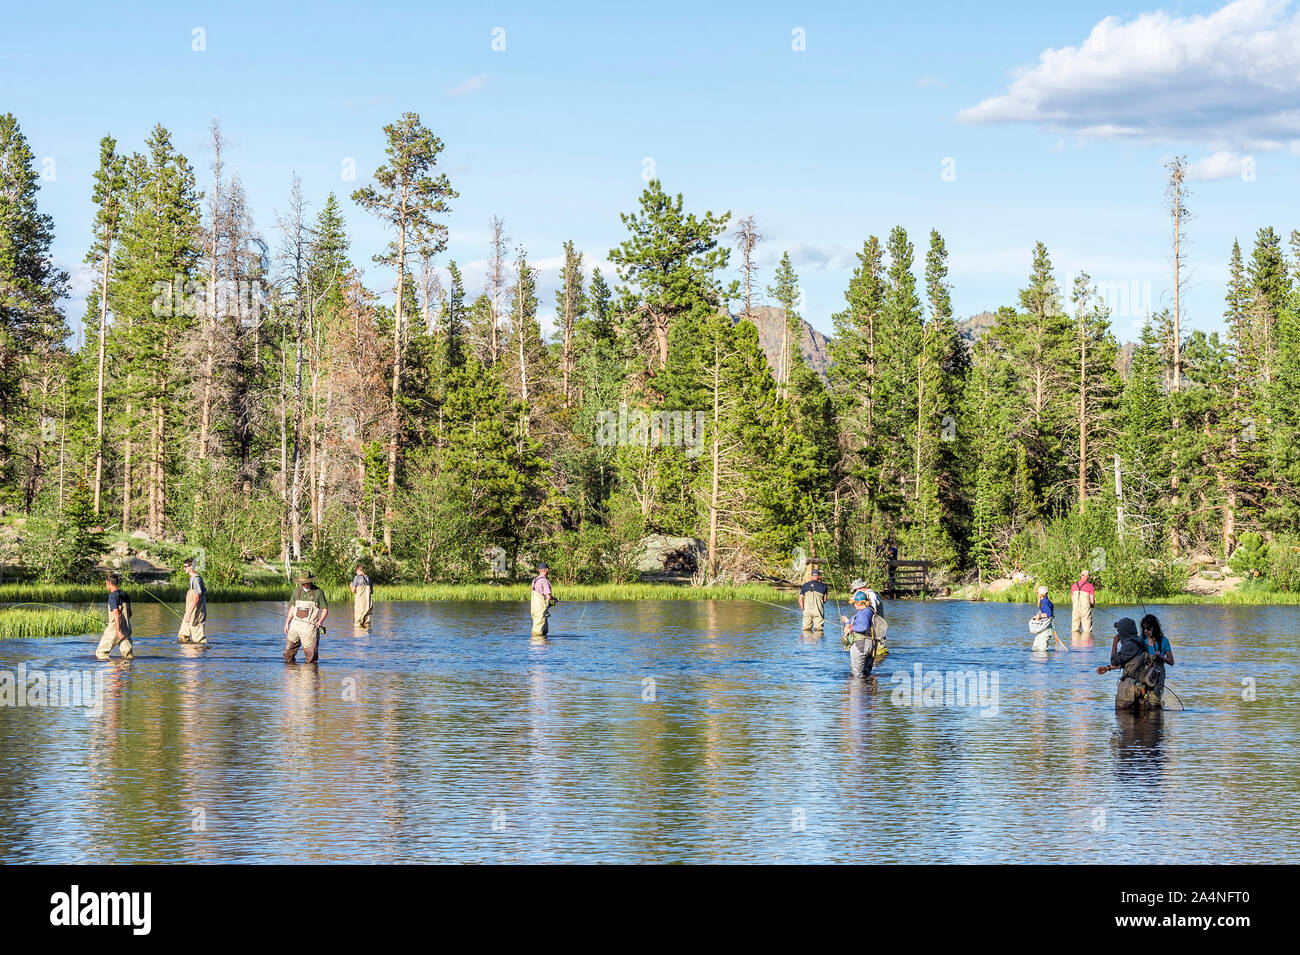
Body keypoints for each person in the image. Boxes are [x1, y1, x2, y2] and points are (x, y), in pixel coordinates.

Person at [1096, 616, 1162, 710]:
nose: (1118, 633)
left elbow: (1114, 661)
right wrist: (1108, 668)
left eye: (1119, 631)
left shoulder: (1129, 645)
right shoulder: (1140, 642)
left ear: (1123, 632)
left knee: (1123, 716)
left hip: (1129, 688)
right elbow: (1131, 663)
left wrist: (1114, 643)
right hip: (1142, 686)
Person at [283, 571, 328, 663]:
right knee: (288, 653)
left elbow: (325, 609)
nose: (303, 585)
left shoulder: (318, 592)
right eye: (301, 583)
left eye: (305, 583)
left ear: (310, 581)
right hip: (295, 627)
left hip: (309, 629)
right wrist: (287, 623)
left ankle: (310, 675)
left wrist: (320, 621)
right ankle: (292, 672)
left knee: (311, 656)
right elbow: (292, 607)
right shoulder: (296, 591)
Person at [95, 573, 134, 660]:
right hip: (126, 628)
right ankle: (125, 671)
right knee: (128, 656)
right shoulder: (125, 595)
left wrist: (118, 631)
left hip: (115, 629)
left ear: (108, 582)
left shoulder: (112, 596)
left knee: (101, 653)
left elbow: (116, 613)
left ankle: (113, 671)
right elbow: (130, 613)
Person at [842, 589, 877, 677]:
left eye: (854, 603)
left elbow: (863, 626)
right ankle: (869, 689)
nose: (853, 605)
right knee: (866, 672)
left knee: (857, 673)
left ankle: (857, 690)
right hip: (870, 644)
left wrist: (851, 628)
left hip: (860, 644)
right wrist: (847, 622)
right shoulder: (870, 610)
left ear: (859, 603)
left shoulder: (863, 613)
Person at [1140, 613, 1173, 699]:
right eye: (1143, 628)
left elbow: (1171, 662)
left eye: (1147, 628)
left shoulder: (1164, 641)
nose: (1145, 631)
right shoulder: (1142, 641)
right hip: (1144, 673)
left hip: (1159, 675)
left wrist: (1162, 657)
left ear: (1154, 627)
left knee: (1155, 698)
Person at [177, 557, 208, 645]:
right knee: (183, 635)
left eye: (185, 566)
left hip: (197, 612)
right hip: (190, 611)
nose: (184, 568)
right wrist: (188, 613)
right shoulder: (191, 579)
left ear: (191, 567)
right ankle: (188, 654)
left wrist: (189, 614)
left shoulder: (196, 579)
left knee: (198, 638)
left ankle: (199, 655)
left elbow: (197, 597)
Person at [799, 568, 829, 632]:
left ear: (811, 576)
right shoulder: (824, 586)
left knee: (806, 630)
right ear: (818, 576)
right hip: (818, 610)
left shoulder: (805, 585)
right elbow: (825, 599)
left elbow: (800, 599)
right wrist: (820, 604)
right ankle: (817, 640)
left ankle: (807, 641)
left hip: (807, 610)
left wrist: (802, 609)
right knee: (819, 630)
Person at [530, 562, 556, 636]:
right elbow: (548, 596)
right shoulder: (544, 581)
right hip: (540, 609)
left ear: (539, 570)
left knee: (541, 628)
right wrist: (555, 599)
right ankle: (539, 645)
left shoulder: (534, 580)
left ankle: (537, 644)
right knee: (538, 632)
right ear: (547, 570)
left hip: (534, 608)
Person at [1070, 569, 1096, 636]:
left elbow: (1072, 600)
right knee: (1087, 632)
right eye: (1089, 576)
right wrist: (1092, 605)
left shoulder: (1073, 586)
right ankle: (1085, 646)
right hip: (1085, 611)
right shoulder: (1090, 586)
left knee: (1075, 631)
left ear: (1081, 576)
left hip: (1075, 611)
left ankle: (1076, 646)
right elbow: (1092, 601)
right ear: (1087, 576)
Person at [1030, 585, 1055, 651]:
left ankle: (1045, 660)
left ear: (1042, 594)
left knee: (1042, 651)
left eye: (1038, 593)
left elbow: (1049, 614)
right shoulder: (1044, 601)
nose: (1037, 594)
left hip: (1045, 630)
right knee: (1035, 648)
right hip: (1043, 628)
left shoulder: (1044, 601)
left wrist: (1039, 616)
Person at [350, 563, 373, 627]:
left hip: (359, 605)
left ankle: (359, 635)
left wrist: (351, 586)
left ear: (358, 571)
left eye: (356, 572)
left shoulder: (357, 577)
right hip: (368, 605)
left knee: (358, 623)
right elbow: (371, 592)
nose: (356, 574)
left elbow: (353, 590)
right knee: (367, 623)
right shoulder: (369, 578)